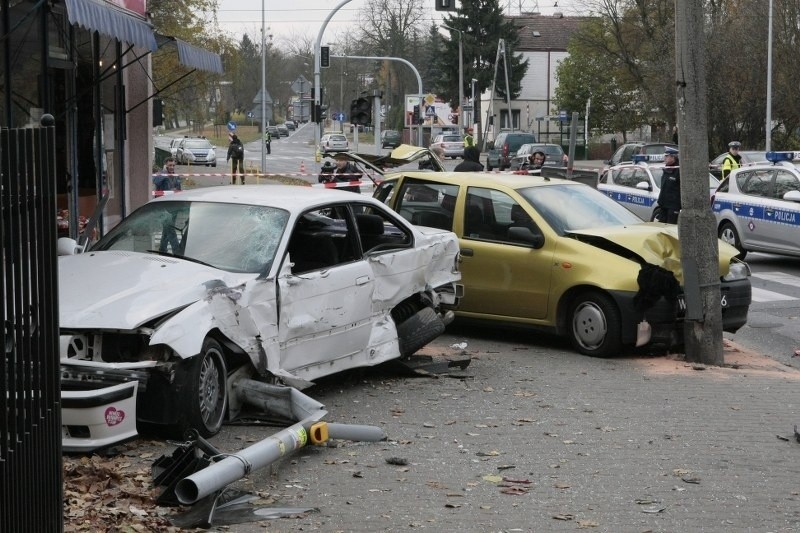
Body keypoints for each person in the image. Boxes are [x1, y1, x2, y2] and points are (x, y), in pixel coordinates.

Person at [657, 147, 681, 224]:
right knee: (661, 227)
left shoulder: (678, 170)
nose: (665, 158)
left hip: (673, 206)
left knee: (670, 228)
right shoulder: (666, 168)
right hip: (663, 204)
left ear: (673, 157)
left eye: (667, 156)